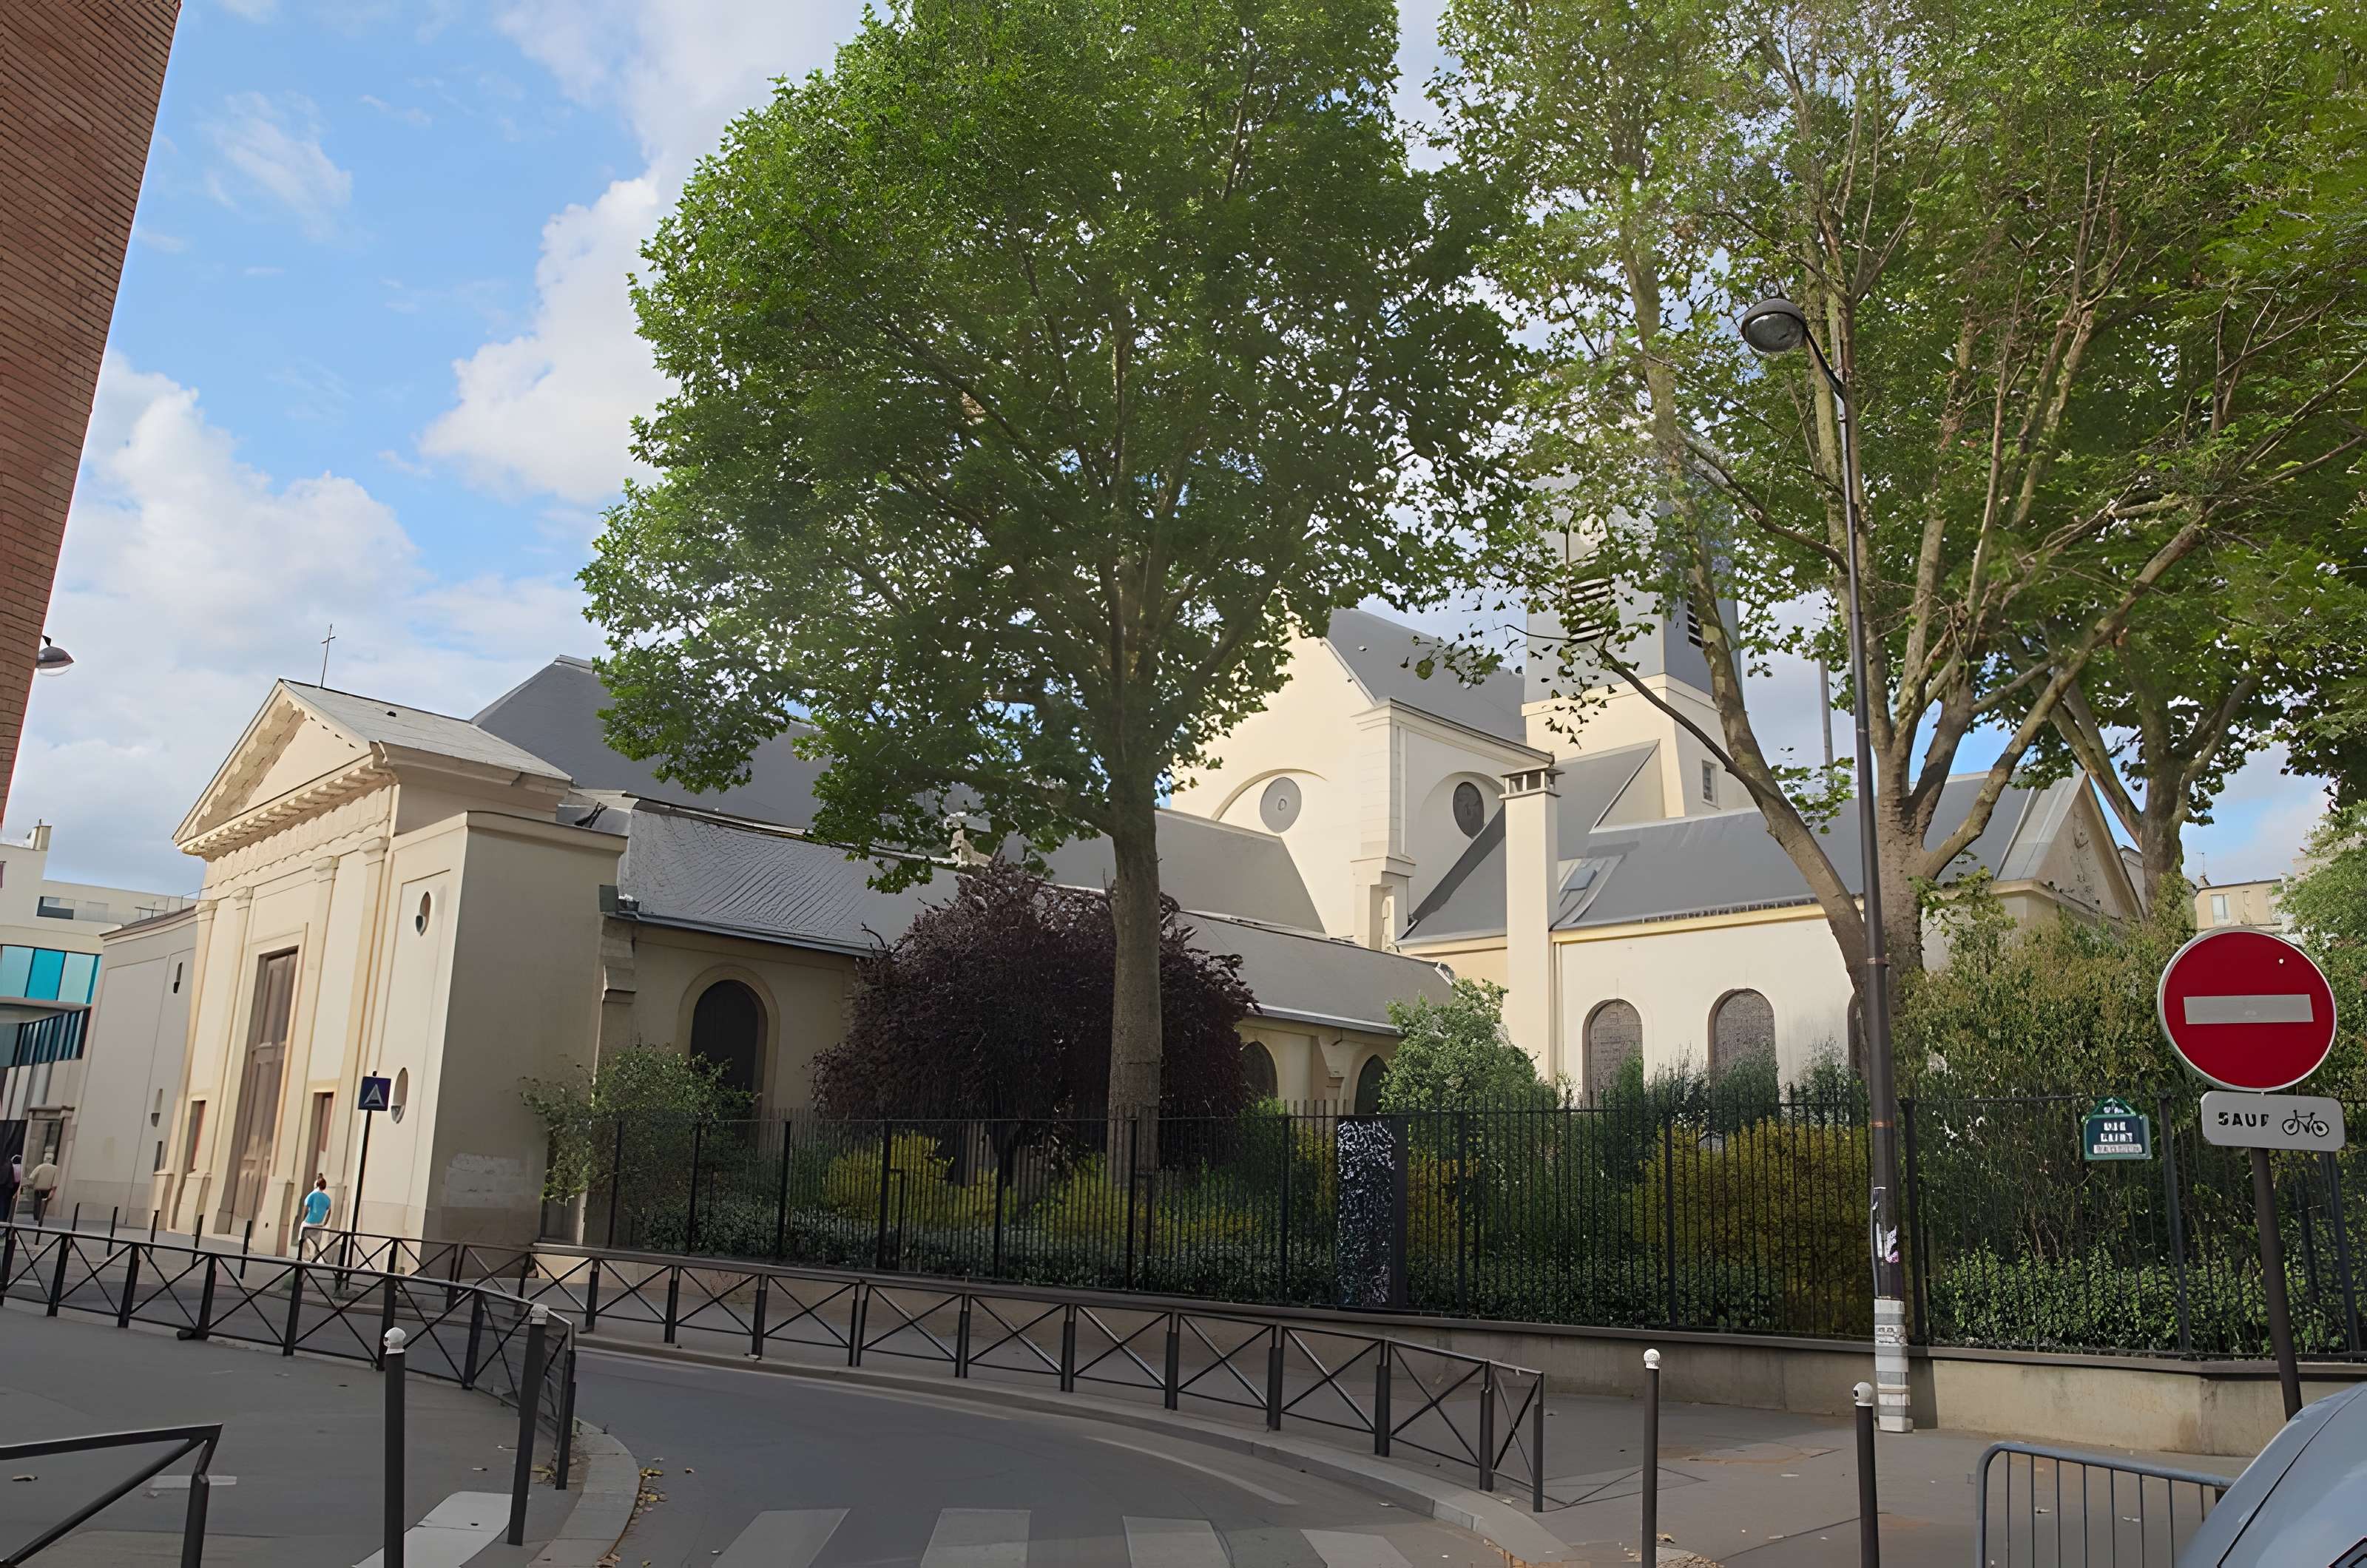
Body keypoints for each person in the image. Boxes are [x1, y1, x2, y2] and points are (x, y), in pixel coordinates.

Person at [297, 1175, 334, 1261]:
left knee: (301, 1238)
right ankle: (315, 1258)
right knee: (317, 1243)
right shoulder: (327, 1198)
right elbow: (329, 1211)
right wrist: (325, 1222)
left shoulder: (312, 1195)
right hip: (319, 1224)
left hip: (309, 1222)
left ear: (316, 1184)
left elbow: (305, 1208)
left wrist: (302, 1219)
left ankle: (305, 1255)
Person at [26, 1154, 59, 1226]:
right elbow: (56, 1181)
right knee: (44, 1205)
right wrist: (53, 1189)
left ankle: (36, 1219)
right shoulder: (56, 1168)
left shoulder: (40, 1167)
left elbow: (31, 1177)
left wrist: (33, 1184)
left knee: (37, 1204)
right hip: (48, 1189)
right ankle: (41, 1218)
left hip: (39, 1189)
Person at [1, 1155, 20, 1223]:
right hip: (15, 1186)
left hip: (7, 1186)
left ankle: (3, 1218)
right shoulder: (21, 1168)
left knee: (4, 1202)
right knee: (9, 1203)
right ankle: (6, 1218)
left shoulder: (11, 1166)